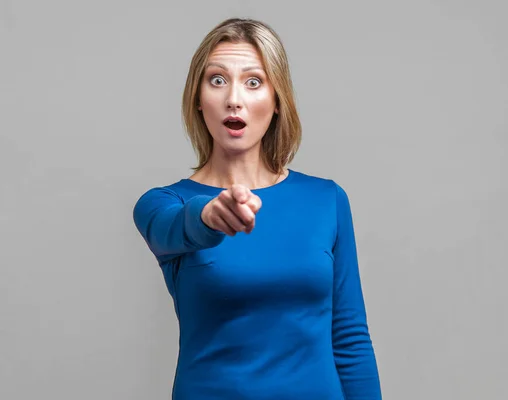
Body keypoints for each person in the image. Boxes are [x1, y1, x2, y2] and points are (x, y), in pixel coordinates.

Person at [133, 17, 382, 400]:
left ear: (277, 99)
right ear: (198, 100)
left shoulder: (327, 200)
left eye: (254, 82)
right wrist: (208, 216)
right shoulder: (164, 204)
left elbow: (349, 338)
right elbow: (174, 227)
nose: (234, 98)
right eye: (217, 80)